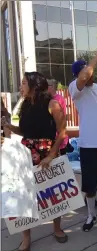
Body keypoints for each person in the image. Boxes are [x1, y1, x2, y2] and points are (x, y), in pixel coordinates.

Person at [2, 72, 68, 251]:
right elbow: (25, 132)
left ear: (34, 85)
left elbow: (62, 132)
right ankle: (26, 238)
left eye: (23, 83)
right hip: (26, 154)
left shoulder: (52, 104)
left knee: (53, 194)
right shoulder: (25, 105)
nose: (20, 86)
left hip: (47, 153)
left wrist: (51, 155)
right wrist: (10, 127)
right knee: (23, 196)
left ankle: (57, 228)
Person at [68, 51, 97, 232]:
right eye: (84, 70)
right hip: (88, 145)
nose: (88, 73)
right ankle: (91, 214)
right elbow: (85, 76)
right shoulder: (75, 88)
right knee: (90, 185)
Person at [47, 77, 70, 155]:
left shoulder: (58, 99)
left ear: (53, 87)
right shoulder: (46, 99)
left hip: (59, 138)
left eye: (47, 85)